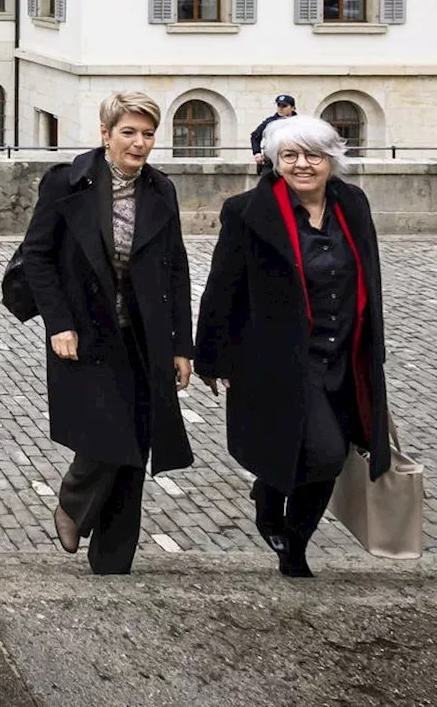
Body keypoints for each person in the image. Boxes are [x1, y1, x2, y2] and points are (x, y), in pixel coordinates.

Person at [195, 116, 390, 578]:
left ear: (331, 160)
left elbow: (371, 276)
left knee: (337, 451)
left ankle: (295, 543)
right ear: (275, 161)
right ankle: (269, 497)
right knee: (321, 452)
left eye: (314, 155)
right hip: (282, 359)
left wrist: (374, 344)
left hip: (344, 354)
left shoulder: (353, 204)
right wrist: (211, 356)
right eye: (291, 155)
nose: (303, 164)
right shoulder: (248, 211)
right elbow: (223, 286)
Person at [19, 91, 194, 575]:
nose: (139, 144)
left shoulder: (161, 190)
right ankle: (74, 501)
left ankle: (113, 559)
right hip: (87, 333)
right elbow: (37, 257)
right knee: (108, 434)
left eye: (148, 134)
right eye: (129, 132)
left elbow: (175, 269)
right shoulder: (67, 183)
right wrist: (60, 324)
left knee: (136, 444)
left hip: (143, 335)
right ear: (105, 134)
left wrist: (182, 346)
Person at [250, 95, 297, 175]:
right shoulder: (270, 122)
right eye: (279, 105)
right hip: (271, 161)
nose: (281, 108)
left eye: (284, 106)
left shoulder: (299, 122)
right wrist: (257, 153)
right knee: (266, 185)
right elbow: (255, 136)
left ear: (292, 108)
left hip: (293, 160)